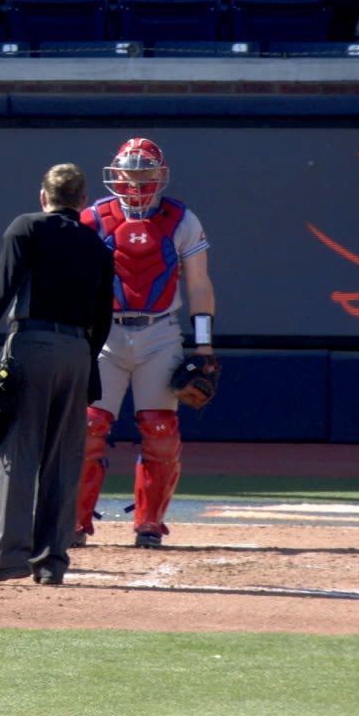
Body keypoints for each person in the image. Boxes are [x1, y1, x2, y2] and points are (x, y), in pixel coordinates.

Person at [0, 163, 114, 585]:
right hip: (78, 352)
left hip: (31, 343)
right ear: (83, 202)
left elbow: (2, 288)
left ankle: (7, 557)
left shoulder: (26, 227)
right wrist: (88, 368)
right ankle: (52, 562)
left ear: (43, 197)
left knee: (15, 452)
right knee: (64, 458)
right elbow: (103, 318)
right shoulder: (98, 246)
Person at [73, 138, 217, 549]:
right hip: (105, 332)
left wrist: (203, 345)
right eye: (130, 175)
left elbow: (199, 282)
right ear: (116, 175)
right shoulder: (94, 218)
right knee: (87, 426)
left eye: (145, 175)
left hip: (159, 330)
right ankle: (76, 520)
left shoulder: (181, 219)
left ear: (160, 175)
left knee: (160, 430)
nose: (137, 184)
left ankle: (150, 523)